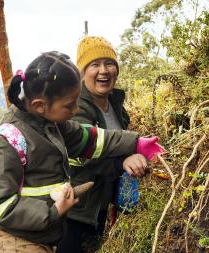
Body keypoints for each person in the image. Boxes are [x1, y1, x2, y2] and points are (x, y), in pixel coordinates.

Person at [0, 51, 164, 253]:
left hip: (46, 236)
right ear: (39, 105)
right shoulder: (8, 143)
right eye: (69, 105)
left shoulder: (51, 123)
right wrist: (52, 212)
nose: (76, 110)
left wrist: (136, 143)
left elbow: (91, 139)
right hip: (17, 241)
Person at [57, 36, 149, 253]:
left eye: (109, 64)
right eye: (94, 65)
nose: (103, 71)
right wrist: (122, 162)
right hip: (74, 209)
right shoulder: (75, 107)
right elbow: (83, 156)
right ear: (82, 72)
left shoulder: (115, 103)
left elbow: (120, 143)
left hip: (99, 207)